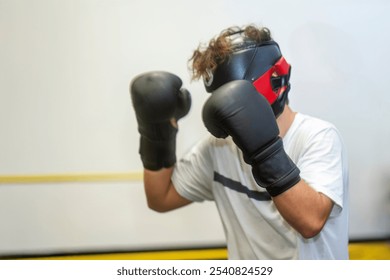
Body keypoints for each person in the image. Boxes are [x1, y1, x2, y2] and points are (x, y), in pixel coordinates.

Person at [130, 24, 349, 259]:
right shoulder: (218, 148)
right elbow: (160, 199)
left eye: (234, 92)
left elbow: (310, 222)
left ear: (276, 77)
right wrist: (158, 130)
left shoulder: (318, 137)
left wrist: (263, 148)